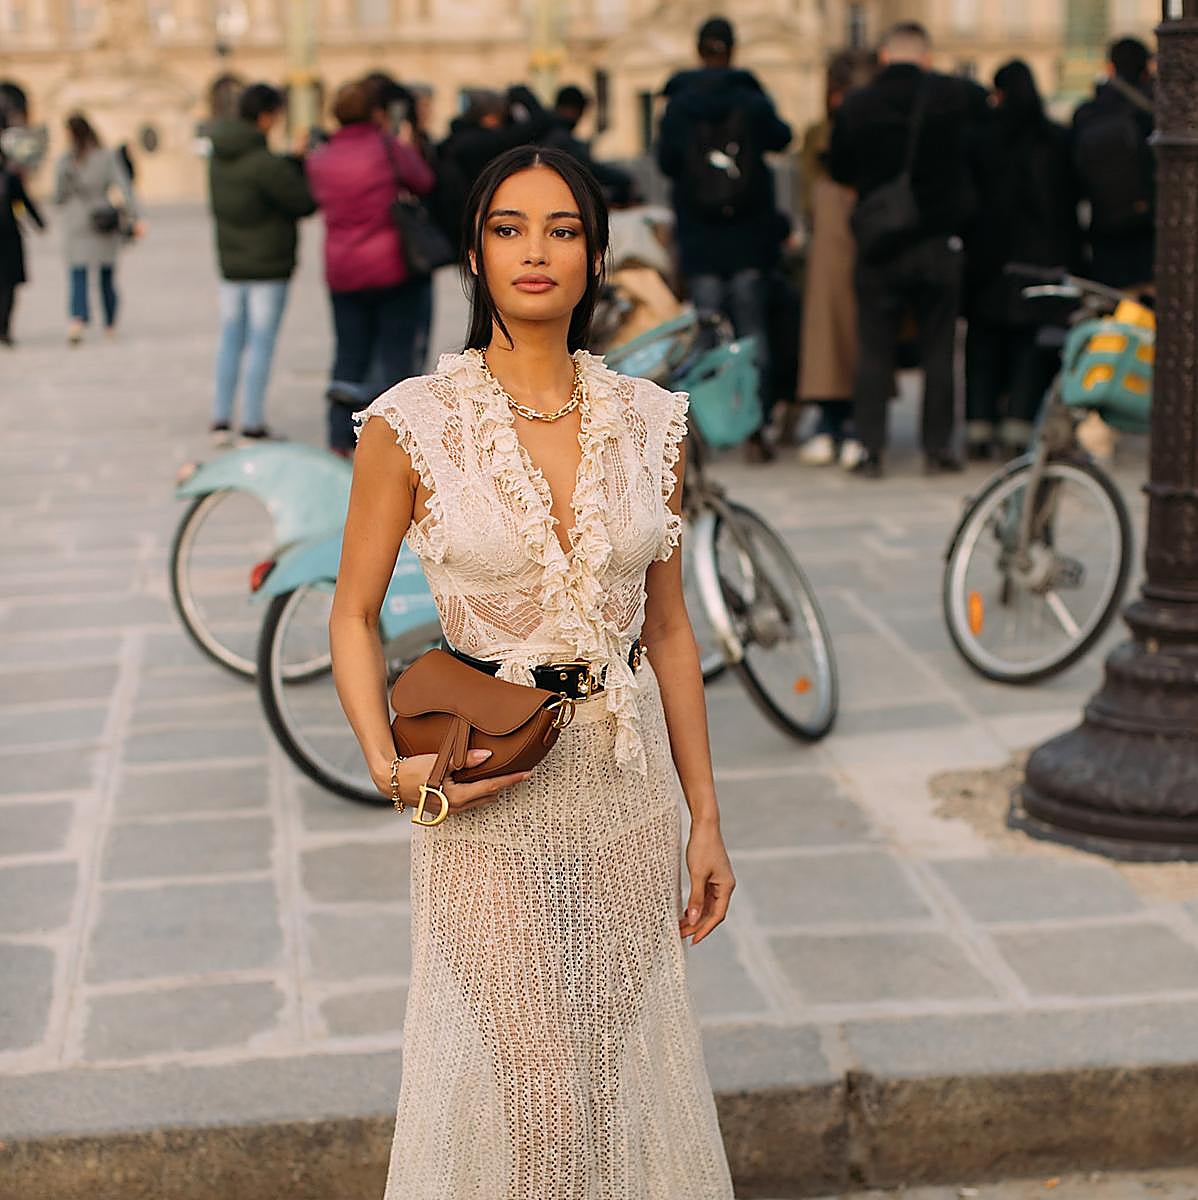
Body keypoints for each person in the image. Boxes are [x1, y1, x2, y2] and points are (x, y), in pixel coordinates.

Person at [330, 145, 736, 1198]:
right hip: (488, 793)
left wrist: (705, 816)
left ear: (596, 256)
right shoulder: (411, 423)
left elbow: (671, 633)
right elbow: (353, 614)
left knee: (602, 1081)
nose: (535, 251)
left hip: (626, 790)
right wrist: (387, 768)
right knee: (541, 1090)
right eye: (508, 229)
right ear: (474, 254)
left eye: (562, 230)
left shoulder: (651, 422)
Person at [829, 22, 985, 478]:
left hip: (880, 242)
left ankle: (871, 448)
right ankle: (937, 449)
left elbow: (839, 167)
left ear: (883, 56)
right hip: (938, 240)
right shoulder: (955, 97)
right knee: (940, 349)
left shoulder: (858, 105)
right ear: (927, 57)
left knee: (874, 348)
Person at [658, 15, 792, 462]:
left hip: (701, 238)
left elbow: (666, 162)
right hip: (749, 237)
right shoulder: (750, 99)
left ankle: (702, 432)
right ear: (733, 50)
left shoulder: (679, 103)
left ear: (698, 50)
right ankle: (755, 427)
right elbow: (782, 138)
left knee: (706, 335)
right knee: (753, 334)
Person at [305, 80, 436, 456]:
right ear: (376, 113)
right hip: (389, 265)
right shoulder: (387, 148)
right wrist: (407, 146)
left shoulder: (321, 157)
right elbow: (424, 181)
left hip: (342, 270)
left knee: (348, 352)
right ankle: (390, 441)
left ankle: (338, 436)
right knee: (394, 355)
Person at [964, 60, 1079, 459]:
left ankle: (978, 426)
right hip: (1042, 259)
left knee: (983, 343)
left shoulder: (980, 138)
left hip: (989, 258)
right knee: (1030, 346)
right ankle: (1018, 425)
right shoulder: (1055, 138)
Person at [207, 82, 316, 445]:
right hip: (268, 265)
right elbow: (302, 201)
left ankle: (221, 418)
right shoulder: (263, 163)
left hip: (231, 263)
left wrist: (288, 161)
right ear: (266, 117)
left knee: (230, 339)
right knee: (260, 342)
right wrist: (299, 163)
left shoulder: (219, 156)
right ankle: (252, 421)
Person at [796, 48, 877, 465]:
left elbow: (808, 194)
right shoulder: (822, 134)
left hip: (847, 238)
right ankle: (837, 423)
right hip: (841, 238)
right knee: (835, 334)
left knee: (847, 332)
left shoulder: (825, 134)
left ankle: (844, 425)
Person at [1072, 36, 1155, 291]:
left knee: (1111, 304)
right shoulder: (1156, 112)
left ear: (1109, 68)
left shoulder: (1088, 113)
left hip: (1105, 232)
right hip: (1150, 231)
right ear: (1146, 70)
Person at [52, 113, 140, 345]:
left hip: (76, 220)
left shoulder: (66, 160)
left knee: (78, 274)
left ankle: (78, 320)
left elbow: (58, 195)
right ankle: (110, 324)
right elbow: (124, 187)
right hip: (103, 219)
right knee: (106, 276)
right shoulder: (107, 156)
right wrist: (136, 216)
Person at [437, 86, 553, 250]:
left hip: (457, 223)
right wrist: (521, 94)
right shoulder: (483, 142)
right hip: (473, 223)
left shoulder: (457, 139)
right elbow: (538, 124)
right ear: (491, 117)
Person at [543, 84, 635, 205]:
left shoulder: (548, 129)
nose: (580, 118)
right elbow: (587, 170)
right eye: (580, 111)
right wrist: (623, 181)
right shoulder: (560, 137)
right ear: (571, 109)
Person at [0, 148, 45, 346]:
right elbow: (24, 202)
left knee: (7, 286)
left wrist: (38, 222)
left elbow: (23, 202)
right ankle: (4, 328)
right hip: (9, 237)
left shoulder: (11, 178)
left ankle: (3, 328)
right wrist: (39, 223)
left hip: (9, 238)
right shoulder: (10, 178)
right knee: (8, 287)